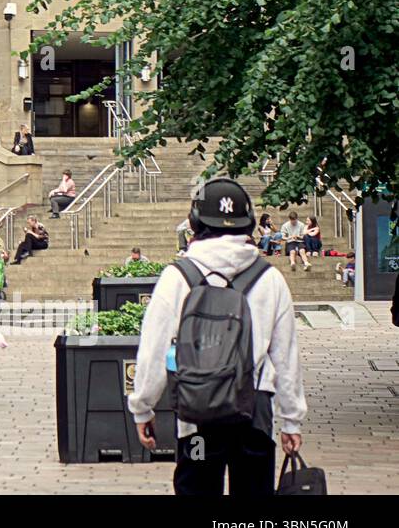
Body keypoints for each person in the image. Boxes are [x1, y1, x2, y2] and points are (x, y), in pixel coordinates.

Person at [129, 177, 306, 497]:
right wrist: (291, 420)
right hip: (254, 415)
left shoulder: (177, 277)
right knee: (253, 492)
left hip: (197, 420)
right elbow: (285, 356)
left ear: (195, 222)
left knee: (197, 485)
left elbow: (152, 350)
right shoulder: (270, 278)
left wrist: (143, 407)